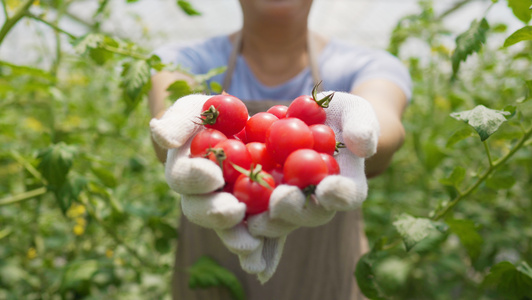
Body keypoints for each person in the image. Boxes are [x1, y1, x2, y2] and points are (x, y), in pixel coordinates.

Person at [148, 0, 412, 299]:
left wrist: (363, 137)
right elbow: (167, 119)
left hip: (327, 280)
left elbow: (386, 127)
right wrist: (178, 137)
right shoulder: (181, 59)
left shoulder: (368, 65)